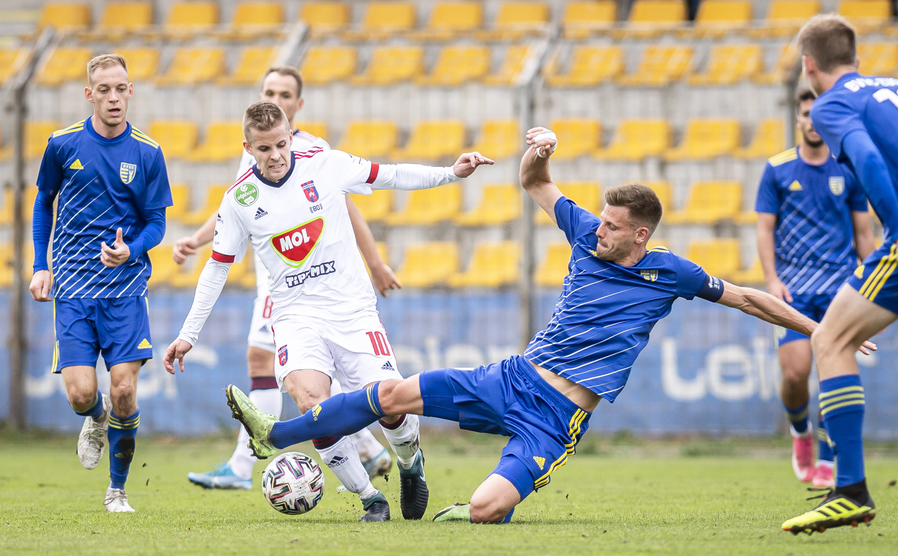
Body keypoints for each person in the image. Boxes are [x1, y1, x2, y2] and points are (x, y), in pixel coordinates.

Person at [223, 127, 875, 525]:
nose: (599, 230)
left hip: (555, 417)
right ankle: (274, 433)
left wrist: (821, 328)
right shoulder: (585, 230)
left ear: (641, 236)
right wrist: (542, 151)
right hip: (511, 377)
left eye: (613, 227)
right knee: (392, 394)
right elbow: (537, 184)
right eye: (601, 220)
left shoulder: (671, 272)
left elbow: (749, 298)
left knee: (486, 510)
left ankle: (483, 504)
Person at [163, 101, 493, 521]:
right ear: (248, 148)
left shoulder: (326, 165)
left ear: (291, 136)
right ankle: (370, 498)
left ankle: (411, 464)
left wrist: (451, 173)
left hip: (352, 311)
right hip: (295, 318)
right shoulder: (238, 200)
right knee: (312, 404)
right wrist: (188, 334)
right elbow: (216, 268)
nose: (276, 155)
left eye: (281, 144)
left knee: (392, 405)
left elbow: (390, 174)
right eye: (264, 149)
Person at [175, 66, 399, 491]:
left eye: (284, 94)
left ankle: (250, 463)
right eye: (269, 91)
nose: (275, 100)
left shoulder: (313, 151)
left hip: (307, 285)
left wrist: (374, 262)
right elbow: (233, 210)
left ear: (298, 104)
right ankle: (363, 448)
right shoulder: (257, 149)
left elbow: (347, 209)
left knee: (287, 366)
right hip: (275, 280)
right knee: (279, 366)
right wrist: (199, 240)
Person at [29, 54, 172, 513]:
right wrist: (40, 265)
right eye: (104, 90)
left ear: (130, 92)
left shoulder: (148, 152)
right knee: (81, 394)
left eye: (121, 89)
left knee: (125, 390)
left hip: (125, 288)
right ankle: (94, 417)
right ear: (89, 94)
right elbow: (43, 204)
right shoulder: (61, 144)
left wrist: (132, 250)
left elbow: (156, 223)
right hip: (73, 287)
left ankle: (117, 491)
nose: (114, 97)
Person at [781, 13, 898, 534]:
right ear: (856, 58)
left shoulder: (831, 104)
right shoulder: (889, 89)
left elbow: (868, 160)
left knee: (829, 339)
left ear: (809, 66)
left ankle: (849, 490)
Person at [755, 88, 873, 488]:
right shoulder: (777, 169)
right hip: (794, 290)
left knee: (833, 373)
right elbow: (765, 229)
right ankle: (800, 430)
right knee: (795, 374)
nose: (812, 121)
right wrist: (772, 280)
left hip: (841, 289)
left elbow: (863, 233)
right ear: (798, 119)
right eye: (806, 114)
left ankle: (826, 457)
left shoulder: (848, 169)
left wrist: (870, 282)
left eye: (818, 114)